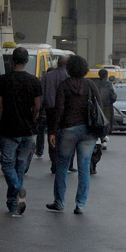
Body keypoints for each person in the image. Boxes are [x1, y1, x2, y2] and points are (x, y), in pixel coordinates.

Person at [46, 55, 102, 214]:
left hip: (68, 129)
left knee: (62, 166)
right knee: (84, 167)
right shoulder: (91, 85)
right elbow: (99, 106)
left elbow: (58, 110)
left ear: (69, 68)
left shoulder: (64, 85)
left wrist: (52, 131)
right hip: (88, 132)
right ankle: (80, 204)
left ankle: (59, 202)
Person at [0, 47, 42, 215]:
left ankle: (17, 190)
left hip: (9, 128)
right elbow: (37, 106)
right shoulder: (34, 81)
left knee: (7, 163)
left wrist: (0, 122)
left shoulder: (2, 80)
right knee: (20, 166)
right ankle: (13, 202)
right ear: (27, 61)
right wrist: (32, 120)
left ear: (12, 60)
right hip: (28, 130)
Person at [41, 56, 70, 172]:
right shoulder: (68, 77)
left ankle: (54, 161)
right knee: (65, 135)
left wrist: (41, 109)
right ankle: (66, 162)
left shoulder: (47, 76)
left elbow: (42, 93)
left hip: (50, 109)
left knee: (52, 134)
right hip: (66, 110)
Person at [93, 68, 116, 150]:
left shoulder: (94, 84)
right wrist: (111, 101)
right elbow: (113, 95)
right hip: (107, 106)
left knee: (97, 122)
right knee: (106, 123)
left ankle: (98, 139)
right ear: (106, 76)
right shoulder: (109, 84)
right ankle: (104, 140)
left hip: (97, 106)